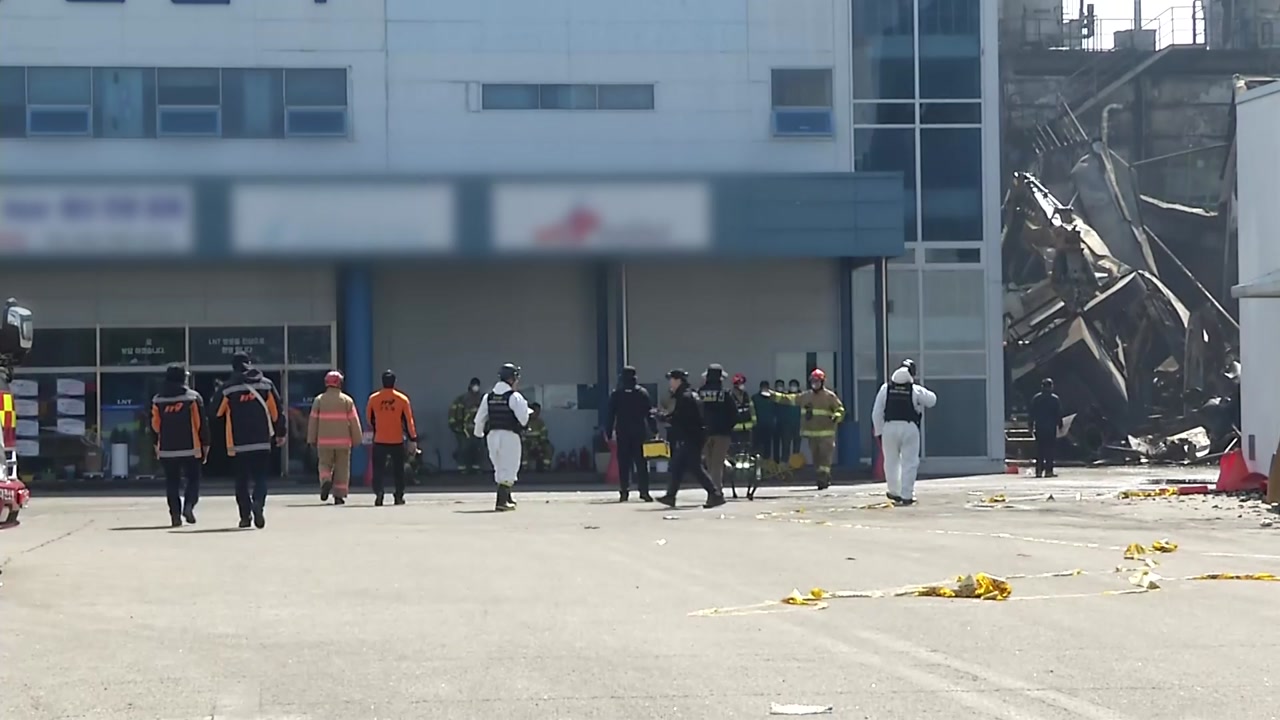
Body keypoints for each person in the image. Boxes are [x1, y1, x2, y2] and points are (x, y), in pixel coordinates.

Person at [212, 352, 286, 529]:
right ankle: (258, 503)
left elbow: (216, 413)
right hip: (262, 440)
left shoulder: (228, 388)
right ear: (250, 363)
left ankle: (245, 516)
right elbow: (277, 411)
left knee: (241, 481)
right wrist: (280, 433)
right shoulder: (266, 385)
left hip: (238, 442)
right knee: (260, 477)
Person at [150, 363, 208, 527]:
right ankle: (189, 506)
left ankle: (175, 515)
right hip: (191, 447)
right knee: (193, 479)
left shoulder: (158, 399)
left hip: (167, 449)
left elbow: (155, 425)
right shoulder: (193, 398)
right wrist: (205, 445)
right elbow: (201, 424)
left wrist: (156, 444)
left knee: (172, 482)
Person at [655, 369, 724, 509]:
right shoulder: (690, 394)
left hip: (691, 436)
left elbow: (679, 418)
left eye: (671, 380)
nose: (670, 383)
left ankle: (715, 494)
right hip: (694, 435)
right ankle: (670, 496)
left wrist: (662, 417)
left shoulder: (685, 397)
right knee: (678, 466)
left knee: (695, 467)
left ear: (678, 380)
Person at [872, 361, 937, 505]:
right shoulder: (915, 390)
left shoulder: (885, 388)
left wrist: (879, 431)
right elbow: (932, 400)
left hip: (889, 428)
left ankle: (894, 491)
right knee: (910, 462)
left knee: (890, 461)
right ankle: (907, 494)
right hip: (909, 428)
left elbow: (877, 412)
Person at [767, 369, 845, 490]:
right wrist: (773, 395)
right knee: (816, 458)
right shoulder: (806, 396)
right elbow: (789, 399)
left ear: (822, 382)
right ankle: (821, 476)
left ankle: (823, 478)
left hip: (826, 434)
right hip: (812, 435)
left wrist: (837, 416)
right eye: (813, 381)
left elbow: (840, 409)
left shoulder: (829, 396)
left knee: (825, 457)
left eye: (817, 381)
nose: (815, 384)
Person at [473, 363, 531, 512]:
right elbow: (523, 419)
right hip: (509, 436)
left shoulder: (488, 397)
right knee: (510, 466)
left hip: (492, 436)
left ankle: (508, 498)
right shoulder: (514, 397)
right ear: (511, 379)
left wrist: (478, 435)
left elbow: (479, 419)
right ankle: (502, 501)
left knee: (499, 467)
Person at [308, 370, 363, 506]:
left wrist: (311, 439)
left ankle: (326, 480)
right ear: (340, 383)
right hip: (343, 443)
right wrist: (357, 439)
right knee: (342, 468)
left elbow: (313, 421)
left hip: (324, 442)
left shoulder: (319, 400)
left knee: (324, 464)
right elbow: (354, 421)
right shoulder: (347, 400)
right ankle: (339, 495)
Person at [366, 370, 419, 506]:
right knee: (398, 470)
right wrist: (413, 438)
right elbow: (409, 421)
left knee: (378, 469)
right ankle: (398, 496)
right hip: (397, 440)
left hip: (380, 440)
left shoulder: (374, 398)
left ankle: (379, 493)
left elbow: (369, 418)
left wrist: (377, 428)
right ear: (394, 382)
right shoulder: (402, 399)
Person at [606, 365, 657, 502]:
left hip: (622, 432)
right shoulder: (642, 393)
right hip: (639, 432)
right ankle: (644, 492)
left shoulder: (617, 394)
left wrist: (608, 432)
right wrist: (654, 430)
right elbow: (649, 414)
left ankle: (624, 491)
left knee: (624, 464)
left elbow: (610, 415)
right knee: (641, 463)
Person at [697, 364, 738, 494]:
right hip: (722, 434)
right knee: (717, 464)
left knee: (709, 464)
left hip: (704, 433)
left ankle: (712, 490)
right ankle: (716, 491)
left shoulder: (699, 393)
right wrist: (728, 428)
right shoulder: (725, 394)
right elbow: (734, 414)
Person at [1028, 377, 1063, 478]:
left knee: (1040, 450)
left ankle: (1039, 471)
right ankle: (1048, 471)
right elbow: (1058, 414)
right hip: (1051, 428)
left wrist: (1030, 425)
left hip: (1040, 427)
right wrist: (1060, 425)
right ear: (1051, 387)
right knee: (1050, 450)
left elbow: (1032, 413)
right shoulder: (1055, 399)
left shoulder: (1036, 398)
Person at [449, 377, 485, 473]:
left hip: (478, 429)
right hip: (464, 430)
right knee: (464, 448)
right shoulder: (461, 399)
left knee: (478, 448)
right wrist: (456, 426)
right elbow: (454, 413)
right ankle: (463, 468)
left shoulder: (482, 399)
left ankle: (476, 467)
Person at [521, 402, 554, 472]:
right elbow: (521, 435)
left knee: (549, 448)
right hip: (527, 444)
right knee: (523, 449)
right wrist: (529, 443)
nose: (537, 414)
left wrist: (540, 442)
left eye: (538, 412)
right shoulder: (524, 421)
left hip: (539, 443)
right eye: (536, 411)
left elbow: (544, 433)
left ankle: (546, 466)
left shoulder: (540, 422)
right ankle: (524, 467)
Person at [775, 379, 803, 462]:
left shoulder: (802, 397)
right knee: (785, 445)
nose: (793, 387)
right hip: (787, 425)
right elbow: (780, 410)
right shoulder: (786, 397)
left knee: (797, 446)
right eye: (791, 385)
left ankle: (795, 463)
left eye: (794, 385)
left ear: (798, 387)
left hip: (798, 425)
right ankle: (785, 462)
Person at [729, 373, 756, 447]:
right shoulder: (730, 397)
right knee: (735, 448)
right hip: (735, 430)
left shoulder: (746, 396)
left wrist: (754, 422)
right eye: (740, 383)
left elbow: (752, 409)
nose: (742, 385)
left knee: (747, 447)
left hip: (747, 429)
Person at [752, 380, 776, 461]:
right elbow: (752, 411)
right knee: (756, 446)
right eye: (764, 388)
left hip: (769, 426)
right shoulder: (755, 398)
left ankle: (766, 462)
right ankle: (756, 462)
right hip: (758, 426)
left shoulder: (772, 398)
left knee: (767, 445)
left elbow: (775, 411)